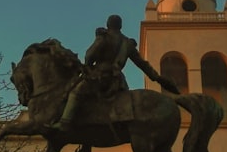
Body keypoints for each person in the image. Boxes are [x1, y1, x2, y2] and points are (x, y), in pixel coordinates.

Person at [50, 14, 180, 134]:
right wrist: (156, 77)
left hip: (99, 76)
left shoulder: (104, 37)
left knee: (75, 93)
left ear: (108, 24)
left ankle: (65, 123)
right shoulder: (127, 43)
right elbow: (142, 64)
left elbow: (90, 55)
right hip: (117, 81)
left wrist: (89, 64)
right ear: (120, 26)